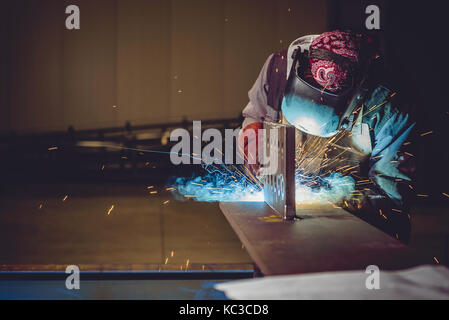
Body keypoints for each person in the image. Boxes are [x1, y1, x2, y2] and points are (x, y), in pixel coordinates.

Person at [238, 30, 416, 242]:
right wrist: (257, 150)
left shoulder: (389, 108)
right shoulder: (278, 69)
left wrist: (331, 196)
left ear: (355, 97)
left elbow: (393, 200)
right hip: (285, 233)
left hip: (359, 240)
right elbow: (254, 116)